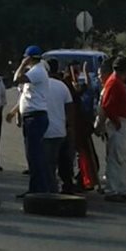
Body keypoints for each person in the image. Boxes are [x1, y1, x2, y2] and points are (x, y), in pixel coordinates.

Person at [7, 46, 52, 197]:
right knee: (32, 155)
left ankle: (40, 189)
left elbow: (16, 79)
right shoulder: (35, 71)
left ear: (30, 58)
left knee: (34, 155)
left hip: (35, 116)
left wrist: (21, 65)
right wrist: (15, 113)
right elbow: (24, 97)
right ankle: (35, 188)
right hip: (31, 116)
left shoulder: (37, 71)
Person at [98, 56, 126, 202]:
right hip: (118, 123)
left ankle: (121, 189)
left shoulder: (116, 82)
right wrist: (116, 121)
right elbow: (107, 105)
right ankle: (113, 190)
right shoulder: (114, 83)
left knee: (121, 159)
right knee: (115, 159)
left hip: (121, 122)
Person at [42, 59, 77, 193]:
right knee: (64, 163)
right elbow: (70, 109)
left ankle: (51, 191)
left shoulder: (37, 86)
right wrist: (70, 128)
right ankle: (67, 186)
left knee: (48, 164)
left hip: (45, 132)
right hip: (61, 131)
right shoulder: (62, 86)